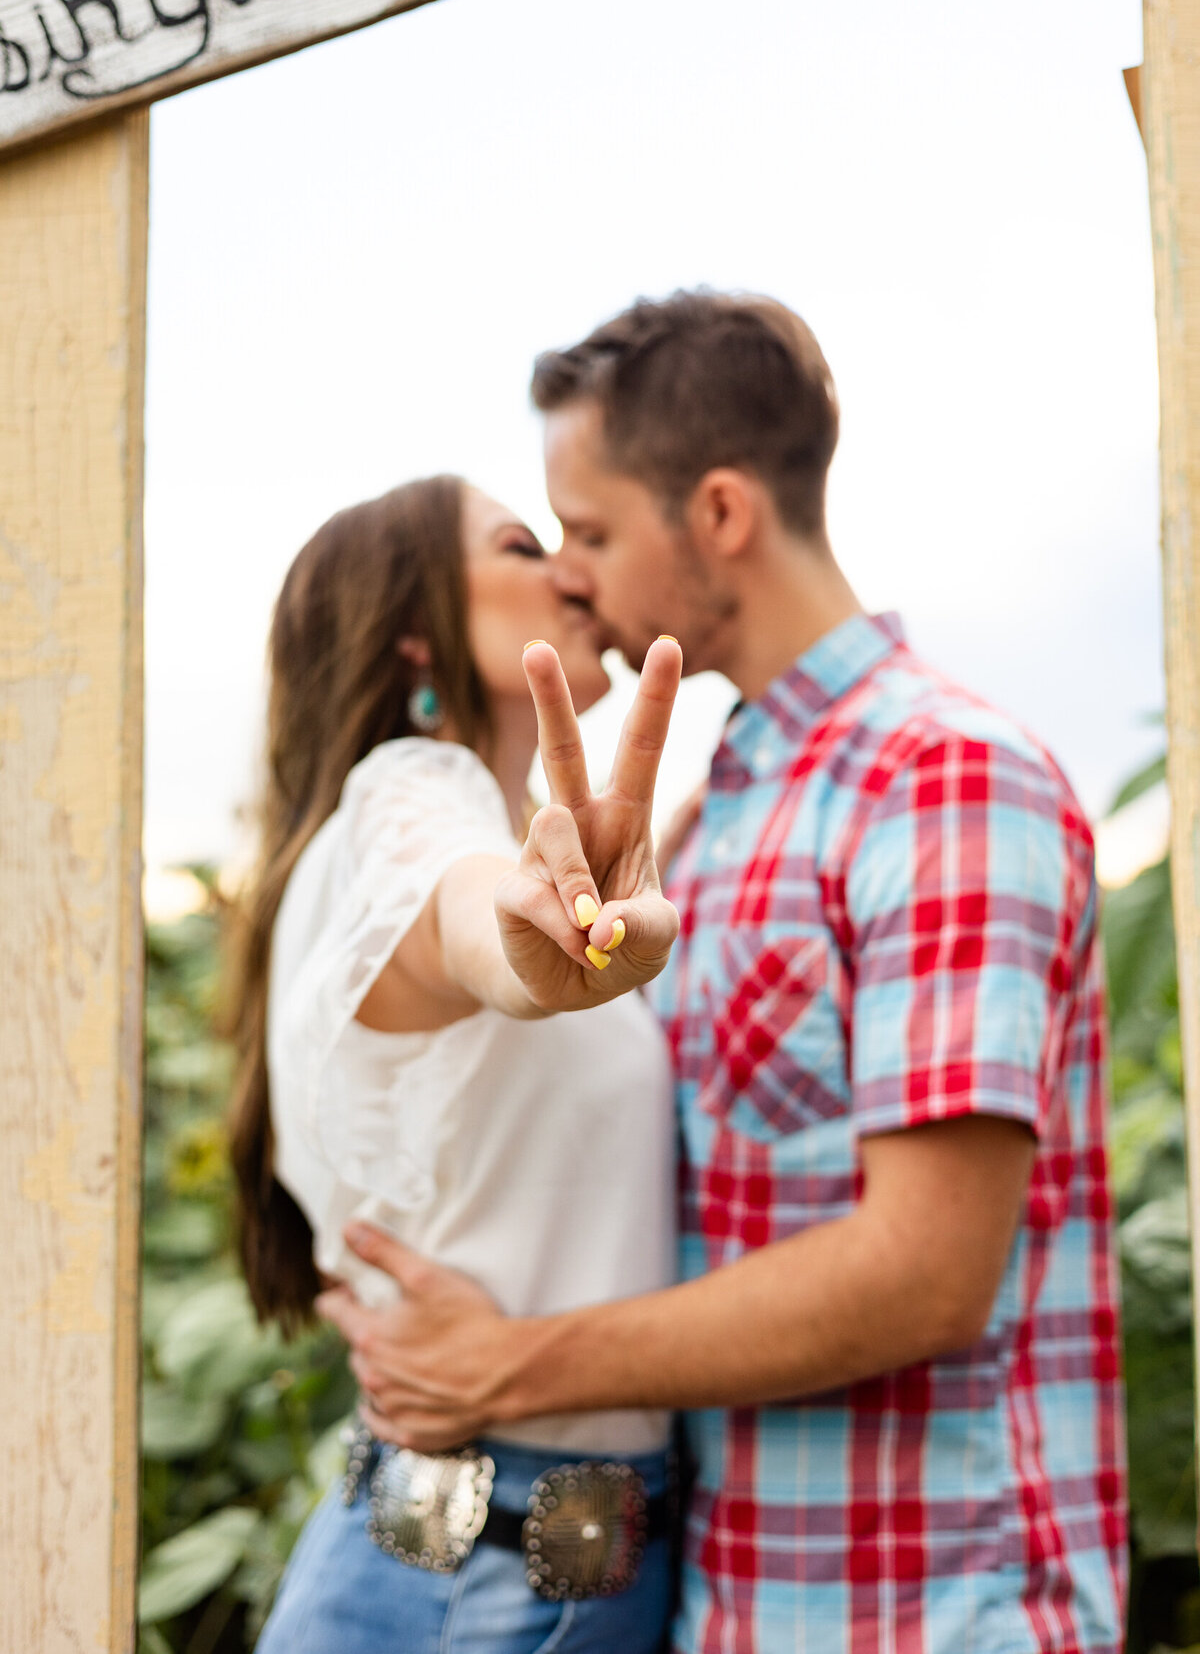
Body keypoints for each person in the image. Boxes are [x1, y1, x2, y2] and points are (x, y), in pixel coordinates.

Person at [318, 292, 1129, 1654]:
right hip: (744, 1602)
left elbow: (925, 1271)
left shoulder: (939, 779)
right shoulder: (713, 816)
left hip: (933, 1610)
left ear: (720, 514)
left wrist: (509, 1367)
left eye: (589, 531)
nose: (570, 574)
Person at [223, 473, 688, 1654]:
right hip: (490, 1579)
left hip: (477, 1558)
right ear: (418, 629)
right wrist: (535, 951)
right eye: (526, 545)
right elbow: (466, 919)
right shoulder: (408, 797)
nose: (573, 573)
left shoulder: (455, 831)